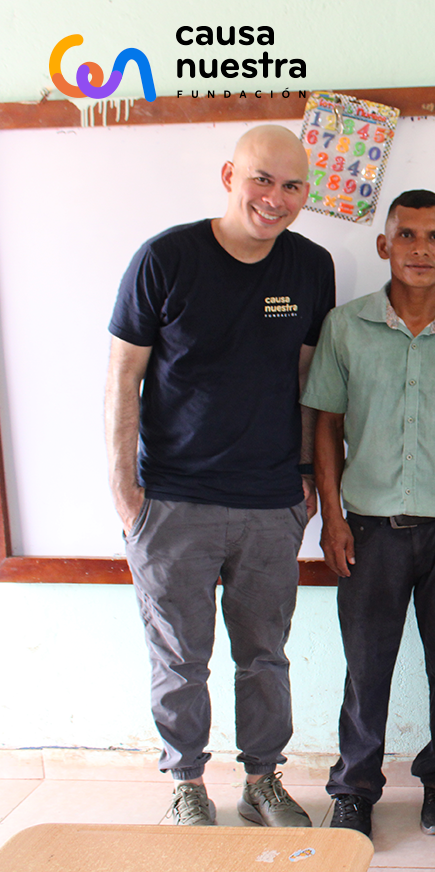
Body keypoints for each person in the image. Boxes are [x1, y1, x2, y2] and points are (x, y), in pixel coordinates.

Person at [105, 124, 335, 827]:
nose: (275, 198)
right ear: (230, 176)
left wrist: (304, 472)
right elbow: (122, 376)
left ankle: (262, 780)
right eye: (262, 179)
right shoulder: (166, 258)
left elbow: (307, 379)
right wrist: (124, 491)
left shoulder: (310, 266)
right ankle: (186, 783)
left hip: (270, 501)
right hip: (173, 500)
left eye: (292, 186)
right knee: (180, 658)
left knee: (265, 656)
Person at [301, 190, 435, 839]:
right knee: (367, 666)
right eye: (407, 235)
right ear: (384, 245)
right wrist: (332, 518)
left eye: (434, 237)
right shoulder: (346, 326)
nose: (421, 249)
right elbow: (326, 423)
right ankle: (354, 788)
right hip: (369, 528)